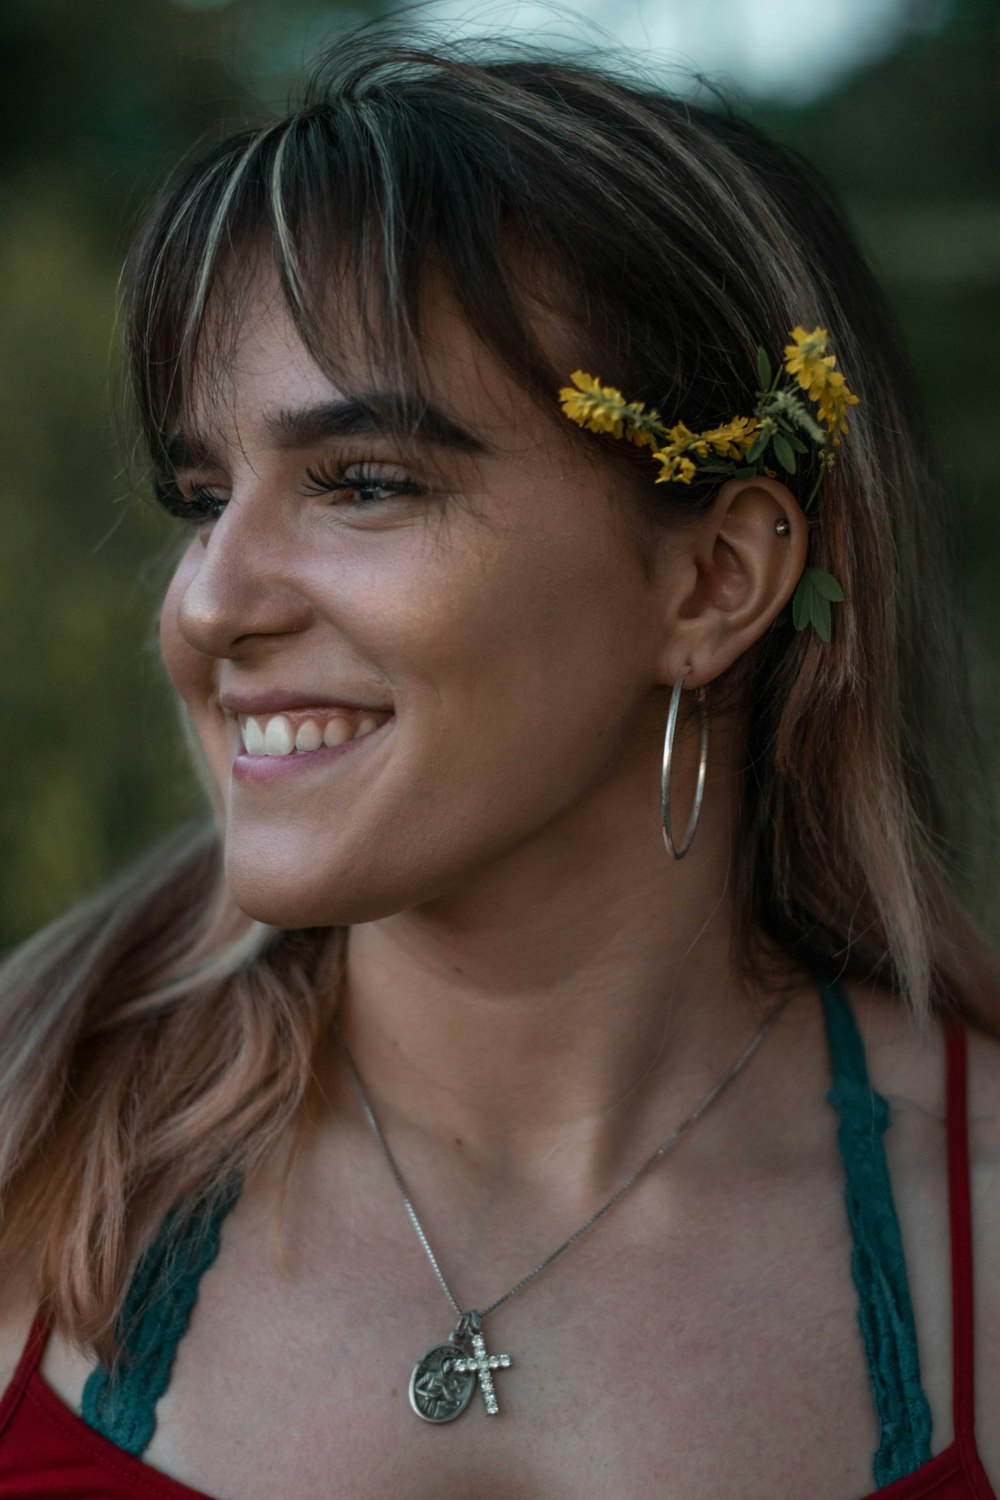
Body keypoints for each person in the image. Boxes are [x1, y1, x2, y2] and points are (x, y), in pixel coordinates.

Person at [0, 23, 997, 1499]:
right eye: (202, 497)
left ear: (714, 581)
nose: (209, 602)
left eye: (365, 484)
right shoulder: (28, 1155)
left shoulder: (974, 1225)